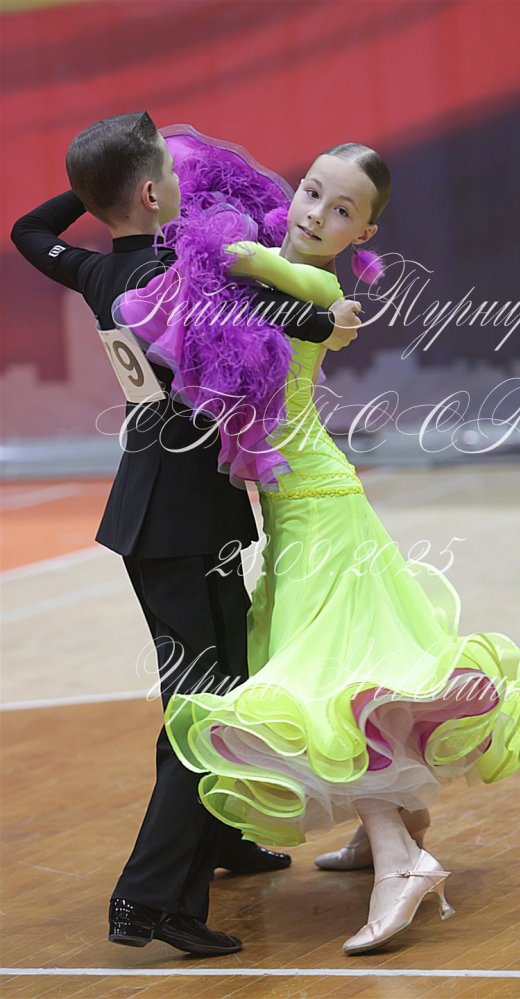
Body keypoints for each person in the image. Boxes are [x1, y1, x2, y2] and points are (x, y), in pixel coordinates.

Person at [117, 131, 520, 956]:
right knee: (352, 665)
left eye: (342, 210)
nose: (316, 213)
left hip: (316, 505)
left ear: (364, 234)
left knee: (326, 677)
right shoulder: (288, 266)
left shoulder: (311, 281)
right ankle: (398, 819)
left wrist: (177, 215)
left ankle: (402, 863)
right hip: (301, 501)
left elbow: (232, 256)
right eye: (312, 191)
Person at [10, 112, 362, 958]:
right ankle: (149, 899)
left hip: (164, 512)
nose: (183, 179)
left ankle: (225, 837)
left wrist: (94, 188)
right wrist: (329, 320)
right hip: (178, 518)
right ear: (149, 191)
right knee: (203, 703)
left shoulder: (98, 268)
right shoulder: (175, 270)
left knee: (225, 682)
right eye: (168, 171)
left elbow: (28, 229)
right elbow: (269, 304)